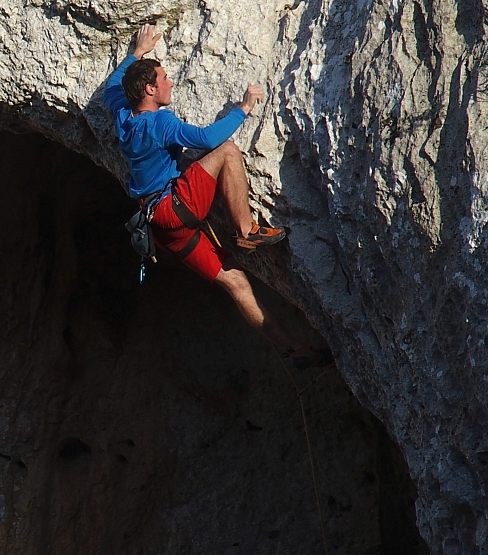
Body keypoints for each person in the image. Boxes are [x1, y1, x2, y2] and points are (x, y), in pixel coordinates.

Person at [104, 24, 328, 367]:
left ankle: (291, 347)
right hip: (174, 207)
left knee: (235, 281)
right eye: (164, 79)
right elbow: (208, 140)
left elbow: (112, 85)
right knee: (227, 151)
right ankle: (246, 229)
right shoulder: (159, 123)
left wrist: (138, 52)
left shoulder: (123, 114)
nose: (171, 83)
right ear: (150, 89)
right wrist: (244, 107)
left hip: (161, 228)